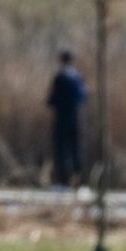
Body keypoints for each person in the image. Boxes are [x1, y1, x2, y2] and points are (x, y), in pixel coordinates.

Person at [47, 50, 87, 188]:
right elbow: (84, 97)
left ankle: (62, 182)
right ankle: (79, 182)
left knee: (61, 151)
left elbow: (51, 100)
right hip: (76, 118)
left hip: (61, 119)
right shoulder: (78, 77)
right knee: (76, 150)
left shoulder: (59, 77)